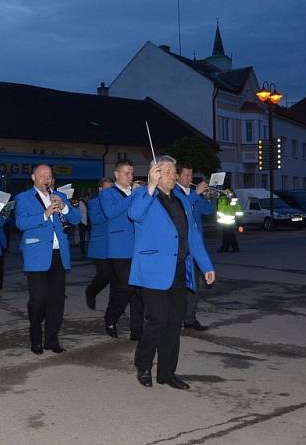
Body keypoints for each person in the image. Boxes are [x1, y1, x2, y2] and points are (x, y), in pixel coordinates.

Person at [128, 156, 216, 389]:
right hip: (153, 270)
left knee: (174, 322)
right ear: (154, 173)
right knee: (158, 319)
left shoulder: (182, 200)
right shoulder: (142, 195)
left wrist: (206, 266)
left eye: (172, 171)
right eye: (165, 172)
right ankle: (143, 365)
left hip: (179, 268)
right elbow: (134, 215)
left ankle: (167, 372)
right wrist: (150, 186)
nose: (171, 175)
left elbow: (192, 235)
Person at [15, 164, 81, 355]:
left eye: (49, 176)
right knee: (39, 299)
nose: (46, 179)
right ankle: (35, 337)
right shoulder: (23, 198)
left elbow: (76, 219)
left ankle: (51, 339)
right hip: (36, 254)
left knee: (56, 300)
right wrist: (44, 215)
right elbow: (20, 222)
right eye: (42, 176)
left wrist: (64, 208)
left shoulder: (60, 196)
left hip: (58, 254)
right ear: (33, 177)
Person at [100, 159, 144, 341]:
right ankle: (111, 318)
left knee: (139, 291)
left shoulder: (136, 192)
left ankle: (137, 331)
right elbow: (111, 212)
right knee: (126, 287)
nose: (130, 176)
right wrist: (133, 196)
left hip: (139, 247)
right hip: (119, 248)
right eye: (126, 173)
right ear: (116, 175)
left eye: (132, 173)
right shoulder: (108, 193)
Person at [175, 163, 216, 331]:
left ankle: (190, 318)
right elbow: (180, 206)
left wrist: (210, 197)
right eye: (186, 175)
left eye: (191, 176)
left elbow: (207, 211)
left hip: (195, 247)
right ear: (177, 176)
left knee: (194, 286)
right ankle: (175, 319)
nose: (189, 179)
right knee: (178, 286)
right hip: (180, 248)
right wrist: (197, 194)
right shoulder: (174, 194)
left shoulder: (193, 194)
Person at [85, 178, 113, 310]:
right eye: (106, 189)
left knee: (117, 278)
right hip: (100, 246)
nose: (109, 192)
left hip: (115, 245)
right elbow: (95, 220)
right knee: (104, 276)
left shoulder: (116, 202)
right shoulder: (94, 203)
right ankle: (91, 292)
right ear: (101, 189)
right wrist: (110, 212)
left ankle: (115, 306)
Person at [217, 184, 240, 253]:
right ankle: (226, 247)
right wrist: (238, 220)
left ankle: (233, 248)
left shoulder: (224, 195)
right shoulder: (231, 195)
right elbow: (237, 207)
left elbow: (223, 208)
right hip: (229, 218)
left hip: (227, 219)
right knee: (227, 234)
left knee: (229, 235)